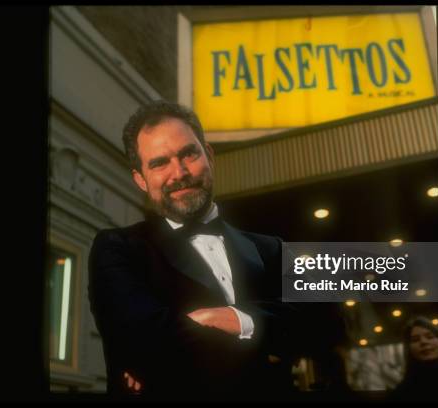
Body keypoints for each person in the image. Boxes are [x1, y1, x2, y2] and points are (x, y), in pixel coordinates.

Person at [88, 100, 299, 401]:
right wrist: (267, 343)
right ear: (140, 180)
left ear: (209, 156)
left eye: (189, 154)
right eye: (160, 163)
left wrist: (237, 319)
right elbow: (142, 338)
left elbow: (323, 321)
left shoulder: (271, 248)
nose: (179, 173)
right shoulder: (116, 248)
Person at [390, 316, 438, 401]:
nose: (423, 342)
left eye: (430, 337)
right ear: (409, 349)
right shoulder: (404, 390)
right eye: (415, 340)